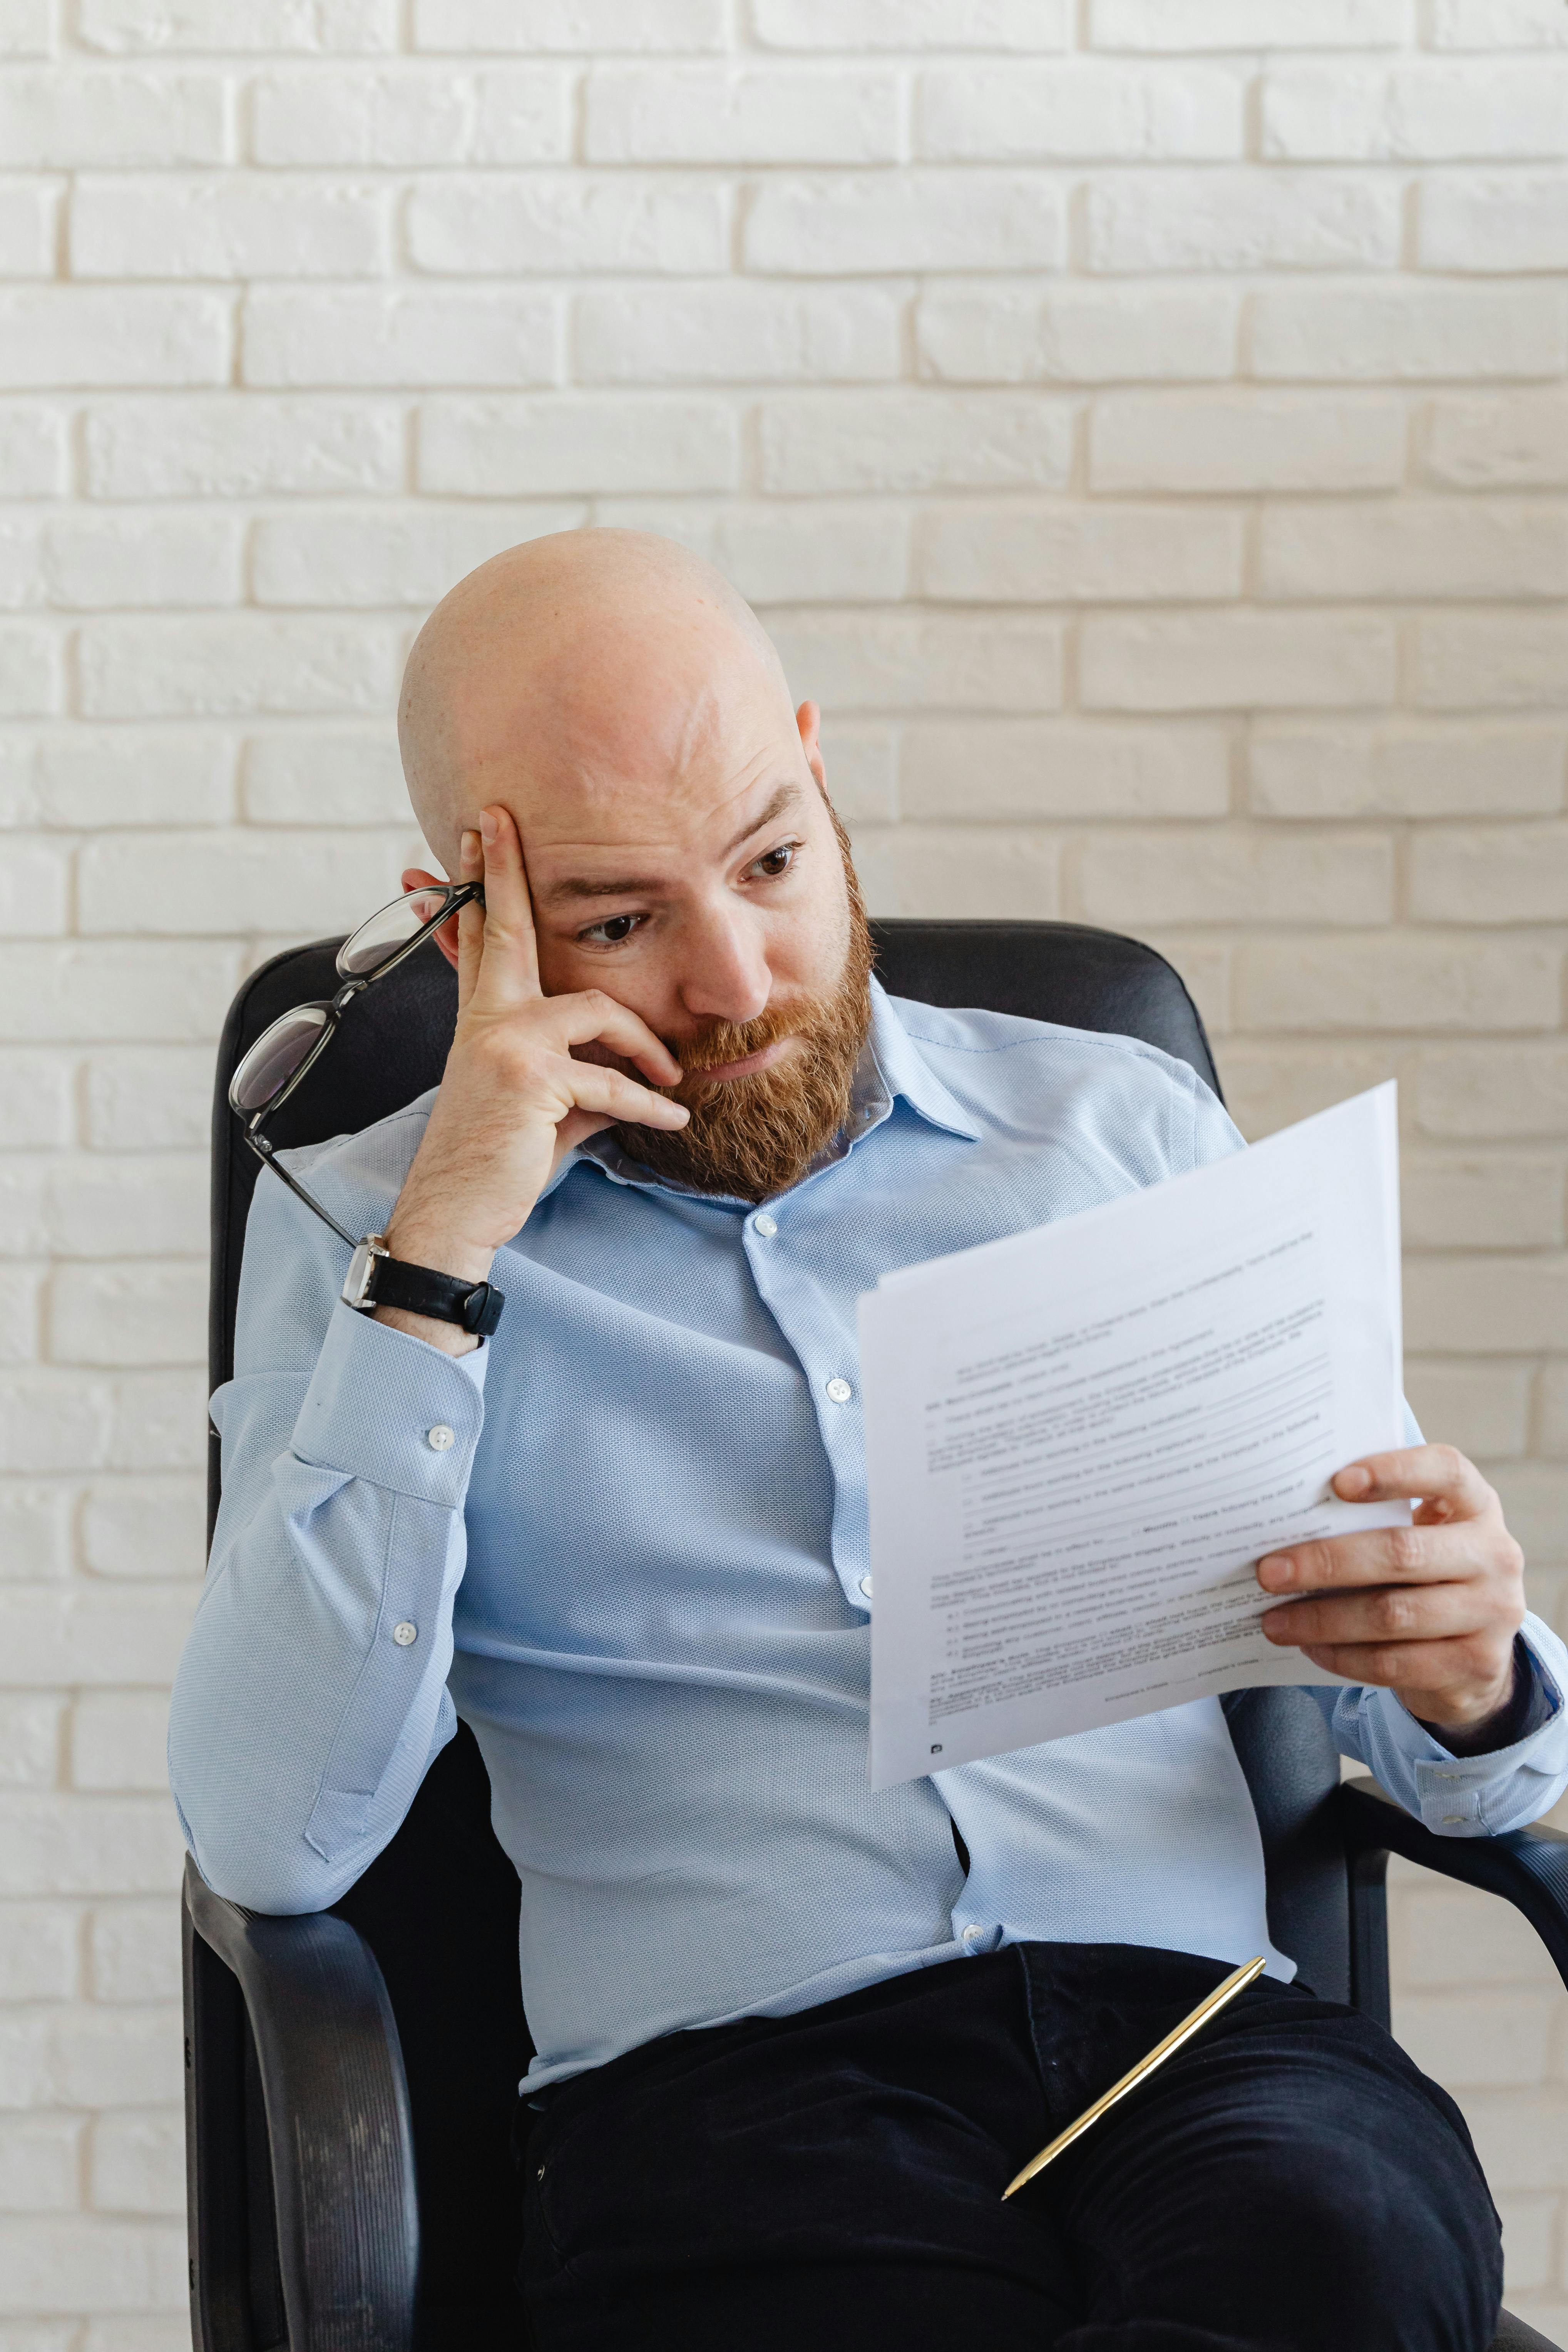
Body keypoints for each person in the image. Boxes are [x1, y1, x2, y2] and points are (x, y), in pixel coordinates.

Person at [171, 529, 1566, 2352]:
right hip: (732, 2108)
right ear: (467, 928)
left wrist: (1481, 1681)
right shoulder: (372, 1241)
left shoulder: (1114, 1129)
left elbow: (1447, 1723)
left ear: (820, 777)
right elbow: (270, 1835)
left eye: (770, 858)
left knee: (1343, 2260)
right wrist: (440, 1259)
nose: (737, 977)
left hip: (1208, 2053)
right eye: (615, 917)